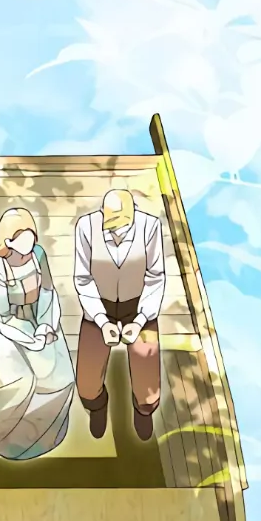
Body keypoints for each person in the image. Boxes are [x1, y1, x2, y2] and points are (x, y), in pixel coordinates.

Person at [0, 207, 75, 460]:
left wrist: (47, 326)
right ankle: (8, 437)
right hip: (10, 328)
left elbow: (48, 291)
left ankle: (44, 432)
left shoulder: (38, 254)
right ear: (8, 241)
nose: (28, 243)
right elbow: (4, 314)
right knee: (16, 384)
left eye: (31, 235)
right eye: (21, 237)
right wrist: (30, 339)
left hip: (40, 319)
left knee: (60, 377)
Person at [73, 189, 165, 441]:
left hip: (139, 306)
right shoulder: (85, 227)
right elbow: (82, 278)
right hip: (98, 307)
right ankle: (97, 406)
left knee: (148, 385)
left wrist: (140, 320)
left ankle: (144, 411)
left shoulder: (150, 226)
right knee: (86, 384)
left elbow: (155, 276)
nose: (116, 233)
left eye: (122, 226)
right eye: (111, 225)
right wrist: (102, 321)